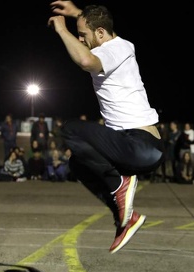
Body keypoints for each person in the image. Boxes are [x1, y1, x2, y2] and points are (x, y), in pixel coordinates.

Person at [49, 1, 165, 253]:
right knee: (78, 163)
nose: (81, 40)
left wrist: (62, 30)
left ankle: (120, 185)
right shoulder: (111, 44)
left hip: (141, 145)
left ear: (101, 33)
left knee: (71, 129)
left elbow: (85, 61)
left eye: (84, 35)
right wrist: (78, 14)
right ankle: (125, 218)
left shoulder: (115, 47)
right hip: (131, 148)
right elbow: (95, 28)